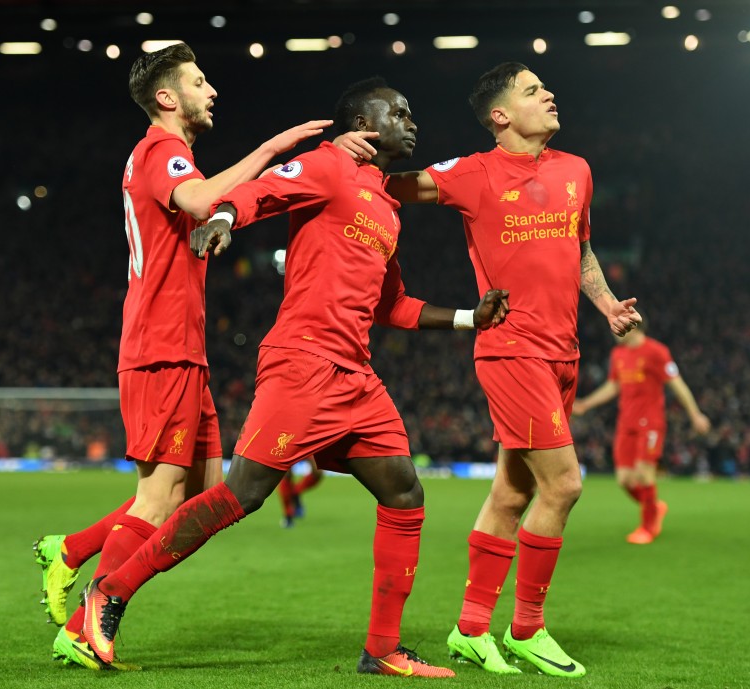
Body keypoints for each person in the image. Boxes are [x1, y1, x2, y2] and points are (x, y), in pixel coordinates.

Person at [76, 76, 510, 678]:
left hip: (356, 377)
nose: (413, 121)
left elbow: (394, 306)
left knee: (405, 495)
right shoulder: (329, 165)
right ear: (363, 122)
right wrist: (225, 216)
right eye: (400, 112)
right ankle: (111, 592)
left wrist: (469, 318)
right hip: (302, 363)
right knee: (239, 496)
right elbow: (261, 194)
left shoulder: (386, 206)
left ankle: (382, 649)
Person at [30, 42, 334, 670]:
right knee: (156, 499)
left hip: (180, 349)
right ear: (168, 98)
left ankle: (71, 551)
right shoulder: (162, 152)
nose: (212, 90)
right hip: (159, 347)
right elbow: (197, 201)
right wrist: (273, 150)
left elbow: (197, 212)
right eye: (199, 81)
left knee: (202, 487)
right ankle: (88, 625)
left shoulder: (172, 158)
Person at [342, 62, 642, 676]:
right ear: (500, 116)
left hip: (565, 352)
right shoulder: (473, 173)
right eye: (533, 91)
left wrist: (608, 304)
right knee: (564, 486)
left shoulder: (575, 171)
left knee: (513, 493)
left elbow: (579, 248)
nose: (550, 94)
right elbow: (391, 185)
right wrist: (347, 154)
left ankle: (472, 629)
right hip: (511, 349)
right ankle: (527, 629)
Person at [572, 318, 711, 543]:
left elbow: (677, 383)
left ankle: (648, 527)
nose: (614, 331)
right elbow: (613, 385)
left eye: (618, 326)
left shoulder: (657, 352)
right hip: (626, 423)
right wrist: (586, 404)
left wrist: (695, 414)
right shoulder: (618, 354)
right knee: (624, 479)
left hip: (651, 423)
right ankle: (654, 507)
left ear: (633, 326)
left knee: (644, 475)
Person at [278, 457, 324, 528]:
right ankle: (288, 515)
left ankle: (295, 492)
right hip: (289, 447)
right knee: (287, 474)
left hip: (306, 446)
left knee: (317, 472)